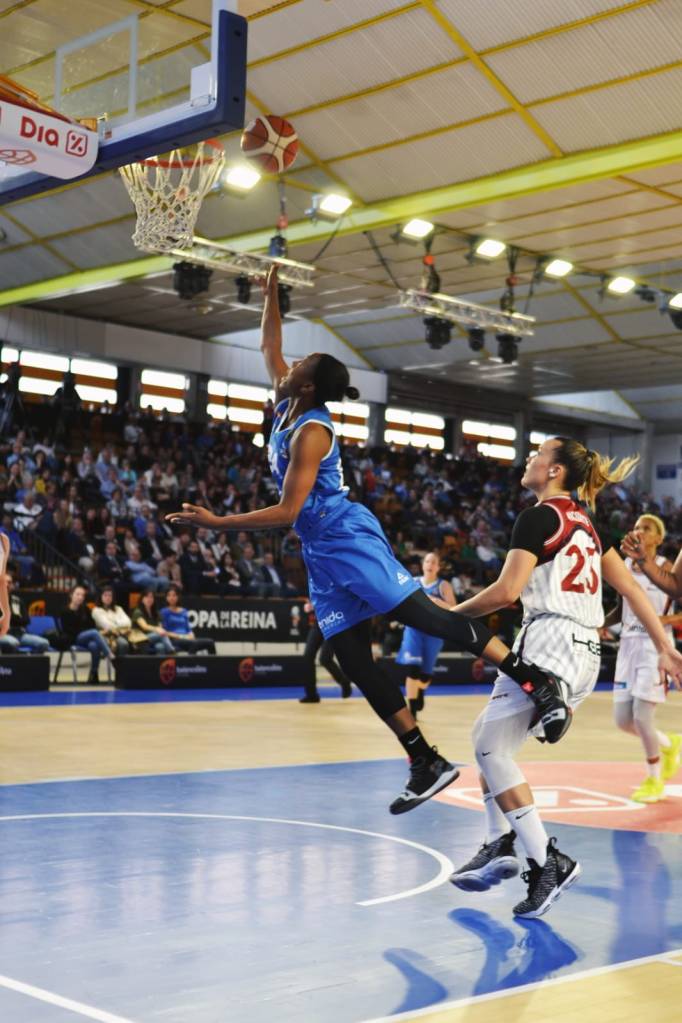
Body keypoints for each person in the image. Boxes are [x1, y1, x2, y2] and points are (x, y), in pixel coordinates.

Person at [167, 266, 573, 817]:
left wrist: (218, 523)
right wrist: (270, 295)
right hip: (321, 550)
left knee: (428, 618)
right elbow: (269, 342)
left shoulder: (312, 429)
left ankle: (535, 680)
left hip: (345, 536)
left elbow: (289, 510)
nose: (288, 365)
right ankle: (424, 760)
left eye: (300, 366)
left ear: (306, 385)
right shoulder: (285, 401)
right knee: (352, 657)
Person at [447, 437, 682, 918]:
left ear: (554, 472)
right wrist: (665, 645)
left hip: (549, 642)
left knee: (493, 749)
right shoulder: (590, 525)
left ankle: (546, 860)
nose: (529, 459)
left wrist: (451, 615)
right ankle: (501, 841)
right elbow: (634, 596)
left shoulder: (538, 518)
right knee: (487, 741)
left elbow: (506, 591)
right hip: (586, 651)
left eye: (537, 454)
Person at [606, 514, 682, 803]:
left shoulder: (667, 570)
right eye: (636, 526)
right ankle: (669, 743)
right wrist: (602, 622)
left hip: (655, 648)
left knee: (642, 716)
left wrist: (661, 619)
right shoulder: (624, 566)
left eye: (646, 528)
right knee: (623, 721)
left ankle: (654, 779)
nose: (639, 531)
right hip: (627, 645)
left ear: (658, 539)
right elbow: (620, 606)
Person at [396, 551, 456, 719]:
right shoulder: (413, 582)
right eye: (427, 561)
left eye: (433, 562)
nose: (430, 564)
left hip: (434, 633)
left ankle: (420, 690)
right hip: (413, 631)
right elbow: (400, 602)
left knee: (425, 675)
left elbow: (454, 608)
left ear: (438, 567)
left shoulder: (443, 586)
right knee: (412, 669)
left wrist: (436, 602)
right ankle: (412, 710)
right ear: (423, 565)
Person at [299, 600, 353, 703]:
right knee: (307, 656)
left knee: (325, 658)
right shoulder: (312, 585)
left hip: (334, 620)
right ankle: (311, 695)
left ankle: (344, 681)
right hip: (319, 622)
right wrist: (311, 605)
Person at [60, 584, 113, 683]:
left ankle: (93, 675)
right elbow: (68, 630)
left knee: (94, 645)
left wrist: (86, 632)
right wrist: (86, 631)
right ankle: (109, 654)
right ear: (71, 595)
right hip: (73, 639)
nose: (80, 597)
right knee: (93, 633)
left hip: (86, 638)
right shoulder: (65, 611)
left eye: (82, 595)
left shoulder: (85, 610)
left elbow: (91, 625)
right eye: (77, 594)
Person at [0, 572, 50, 654]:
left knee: (44, 643)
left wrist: (10, 617)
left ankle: (29, 664)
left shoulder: (17, 600)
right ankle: (10, 666)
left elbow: (26, 620)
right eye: (4, 582)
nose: (7, 584)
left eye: (10, 582)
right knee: (13, 643)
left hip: (20, 634)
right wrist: (15, 618)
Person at [159, 586, 216, 654]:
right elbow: (165, 631)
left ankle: (213, 664)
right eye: (169, 595)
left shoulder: (184, 611)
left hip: (187, 638)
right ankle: (191, 664)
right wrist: (181, 636)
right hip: (174, 639)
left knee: (210, 642)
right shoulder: (164, 612)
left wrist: (191, 635)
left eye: (174, 595)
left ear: (178, 597)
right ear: (166, 598)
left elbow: (188, 628)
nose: (171, 598)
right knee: (194, 644)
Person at [91, 586, 133, 658]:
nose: (108, 597)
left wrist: (115, 623)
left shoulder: (118, 608)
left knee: (128, 643)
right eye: (105, 595)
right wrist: (119, 622)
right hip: (105, 635)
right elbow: (108, 626)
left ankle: (121, 666)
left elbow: (128, 622)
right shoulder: (96, 610)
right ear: (101, 597)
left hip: (121, 634)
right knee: (123, 643)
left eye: (110, 595)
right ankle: (114, 665)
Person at [130, 589, 175, 655]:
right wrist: (157, 629)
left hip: (154, 637)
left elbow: (160, 627)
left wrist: (160, 630)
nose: (149, 599)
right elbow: (144, 626)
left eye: (151, 597)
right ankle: (172, 652)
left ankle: (159, 664)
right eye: (147, 597)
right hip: (141, 638)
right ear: (142, 599)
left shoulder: (156, 613)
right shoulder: (137, 612)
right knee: (161, 634)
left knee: (160, 647)